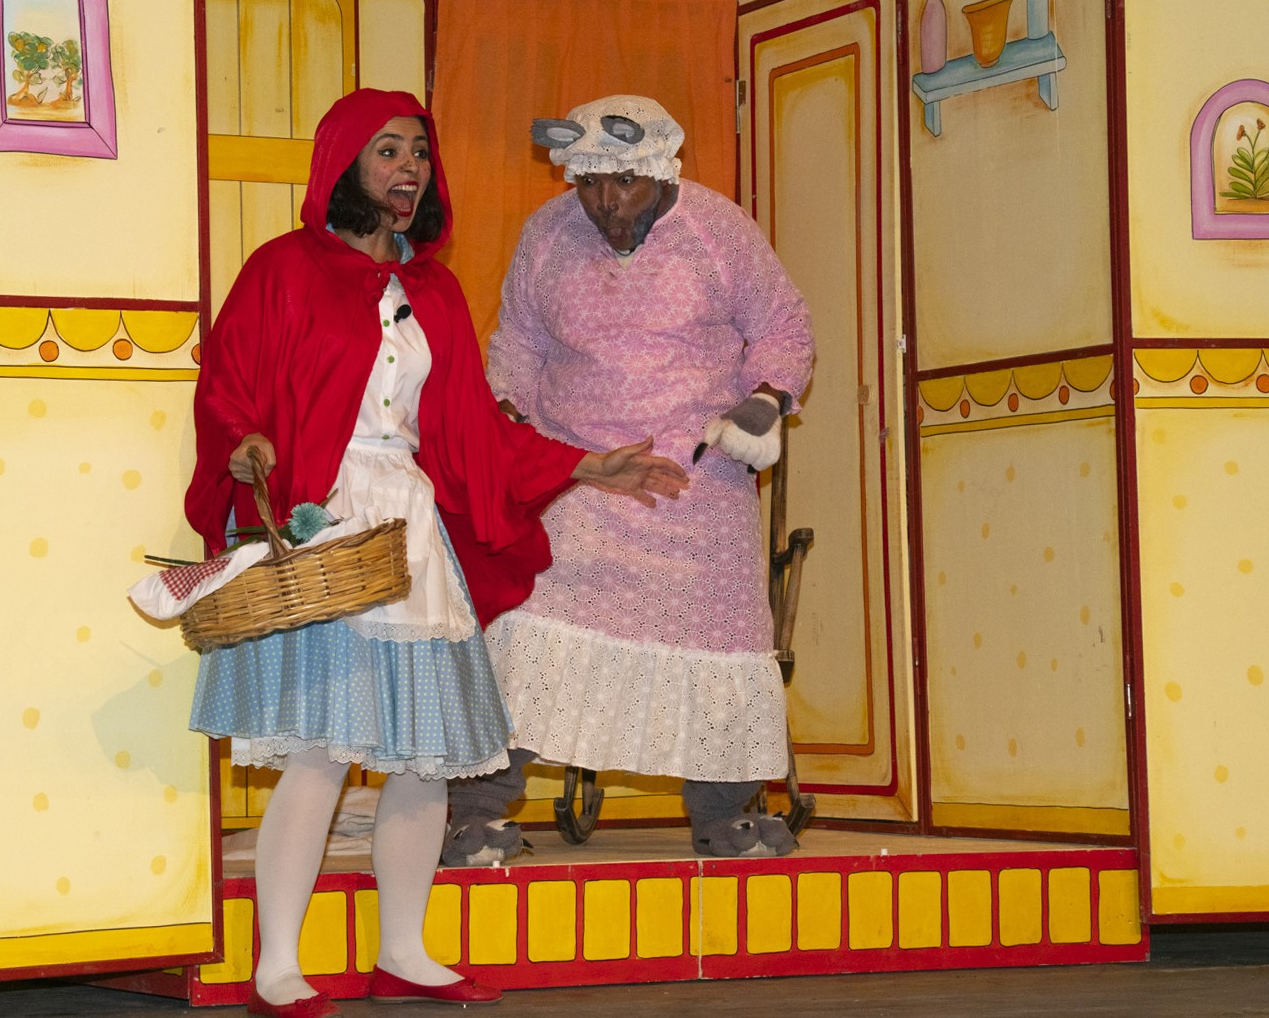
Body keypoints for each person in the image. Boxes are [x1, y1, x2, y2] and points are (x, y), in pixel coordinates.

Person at [184, 89, 688, 1018]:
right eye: (386, 151)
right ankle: (277, 965)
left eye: (417, 151)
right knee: (320, 752)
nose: (408, 167)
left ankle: (404, 952)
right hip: (327, 518)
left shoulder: (435, 293)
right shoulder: (281, 270)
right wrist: (244, 444)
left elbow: (473, 433)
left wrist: (586, 464)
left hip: (410, 530)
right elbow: (226, 388)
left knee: (423, 758)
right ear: (343, 164)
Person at [442, 94, 815, 867]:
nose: (605, 203)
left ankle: (725, 815)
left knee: (717, 646)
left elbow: (781, 324)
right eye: (588, 184)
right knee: (528, 629)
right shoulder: (547, 235)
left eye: (623, 183)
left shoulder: (717, 230)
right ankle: (473, 815)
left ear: (659, 169)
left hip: (694, 484)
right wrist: (509, 420)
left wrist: (761, 401)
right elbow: (518, 341)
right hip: (579, 476)